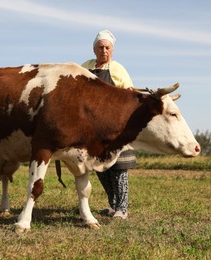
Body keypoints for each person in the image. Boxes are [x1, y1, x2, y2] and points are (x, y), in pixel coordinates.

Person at [82, 29, 136, 220]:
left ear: (112, 50)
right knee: (100, 167)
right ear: (94, 49)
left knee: (119, 168)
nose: (104, 50)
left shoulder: (118, 69)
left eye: (107, 48)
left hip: (116, 127)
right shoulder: (85, 67)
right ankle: (113, 205)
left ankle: (122, 208)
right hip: (94, 128)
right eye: (100, 47)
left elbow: (129, 95)